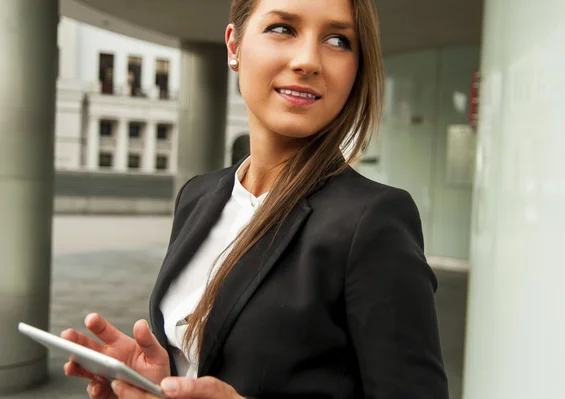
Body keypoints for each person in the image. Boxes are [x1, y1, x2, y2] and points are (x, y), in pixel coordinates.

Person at [61, 0, 449, 397]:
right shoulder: (198, 196)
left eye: (337, 39)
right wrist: (166, 380)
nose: (308, 60)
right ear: (234, 46)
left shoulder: (373, 221)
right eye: (283, 28)